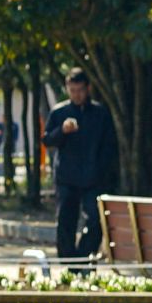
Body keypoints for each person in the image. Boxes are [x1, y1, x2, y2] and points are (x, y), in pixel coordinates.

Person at [44, 69, 117, 259]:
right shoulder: (60, 112)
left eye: (80, 90)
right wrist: (62, 131)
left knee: (95, 219)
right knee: (65, 221)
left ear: (88, 89)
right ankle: (69, 262)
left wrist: (103, 172)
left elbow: (109, 145)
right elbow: (47, 140)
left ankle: (84, 256)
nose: (77, 95)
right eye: (72, 90)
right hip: (66, 178)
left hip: (93, 178)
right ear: (67, 89)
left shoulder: (100, 113)